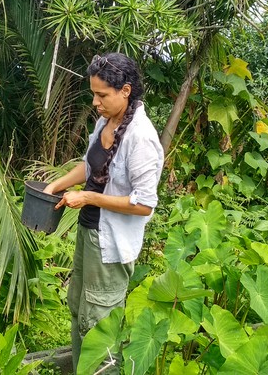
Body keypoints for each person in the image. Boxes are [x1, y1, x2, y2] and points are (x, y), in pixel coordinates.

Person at [43, 52, 164, 372]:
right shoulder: (105, 121)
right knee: (79, 310)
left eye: (102, 95)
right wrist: (56, 184)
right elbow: (89, 165)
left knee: (99, 322)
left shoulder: (141, 138)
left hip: (113, 245)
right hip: (89, 232)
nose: (95, 102)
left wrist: (88, 198)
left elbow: (143, 203)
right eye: (93, 94)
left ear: (125, 91)